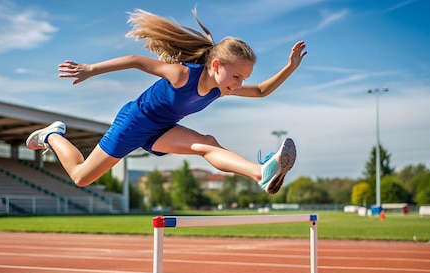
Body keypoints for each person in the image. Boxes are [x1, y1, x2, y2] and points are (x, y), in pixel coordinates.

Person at [26, 9, 307, 194]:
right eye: (236, 76)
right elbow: (136, 61)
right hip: (134, 123)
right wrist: (91, 69)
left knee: (206, 143)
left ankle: (261, 172)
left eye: (243, 78)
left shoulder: (220, 88)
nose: (240, 84)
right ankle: (52, 135)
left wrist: (290, 67)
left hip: (163, 128)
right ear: (217, 66)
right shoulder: (183, 74)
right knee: (81, 176)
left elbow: (260, 92)